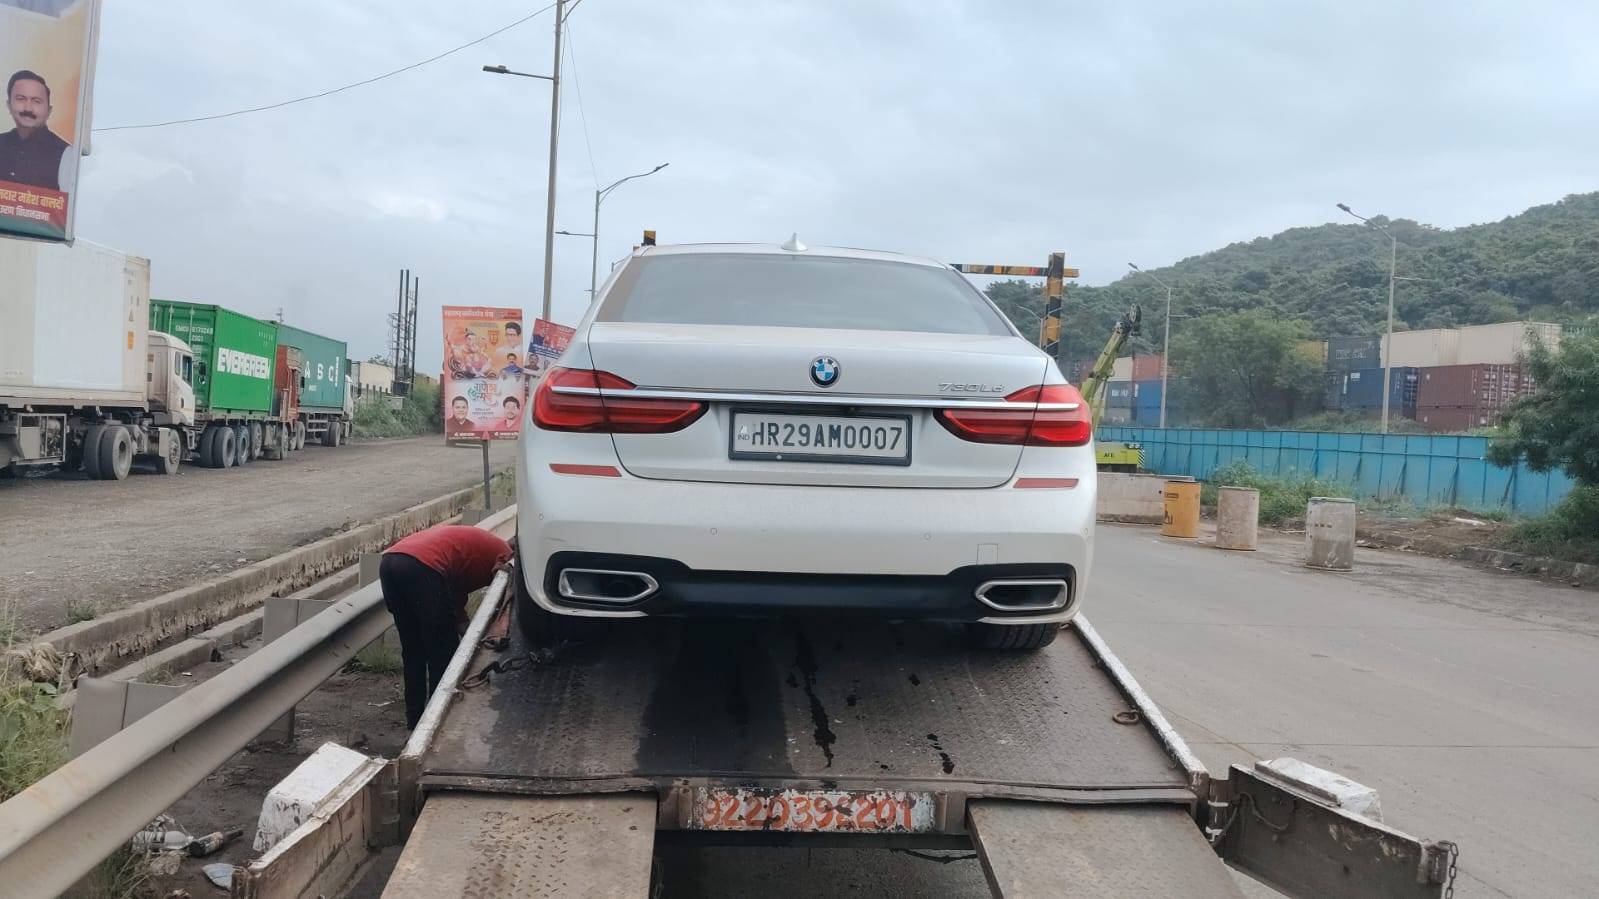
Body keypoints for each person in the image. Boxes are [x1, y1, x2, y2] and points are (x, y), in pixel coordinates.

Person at [380, 525, 512, 727]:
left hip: (390, 562)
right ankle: (434, 721)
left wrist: (466, 630)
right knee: (443, 652)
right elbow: (504, 605)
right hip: (423, 566)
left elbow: (453, 592)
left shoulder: (485, 549)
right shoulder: (506, 558)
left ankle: (414, 721)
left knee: (413, 651)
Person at [1, 70, 68, 190]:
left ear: (49, 111)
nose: (28, 108)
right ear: (9, 105)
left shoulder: (66, 155)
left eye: (36, 101)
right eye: (21, 99)